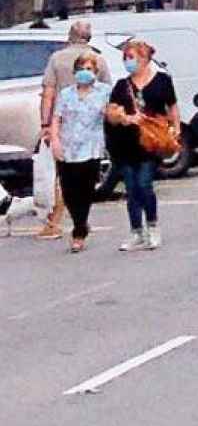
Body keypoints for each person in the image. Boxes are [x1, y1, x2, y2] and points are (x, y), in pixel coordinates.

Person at [36, 19, 110, 240]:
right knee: (80, 182)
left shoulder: (56, 58)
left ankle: (68, 222)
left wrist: (45, 125)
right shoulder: (100, 59)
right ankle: (76, 222)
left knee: (65, 180)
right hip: (79, 131)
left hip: (71, 131)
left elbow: (48, 94)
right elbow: (109, 96)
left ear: (69, 35)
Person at [104, 39, 177, 250]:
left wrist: (175, 128)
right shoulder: (121, 85)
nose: (129, 62)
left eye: (132, 57)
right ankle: (136, 231)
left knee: (144, 184)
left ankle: (153, 226)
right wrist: (124, 118)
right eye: (126, 58)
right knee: (131, 188)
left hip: (150, 141)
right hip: (125, 142)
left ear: (145, 59)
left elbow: (172, 106)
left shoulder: (162, 81)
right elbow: (112, 112)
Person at [47, 50, 110, 253]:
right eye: (81, 69)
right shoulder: (66, 94)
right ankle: (80, 221)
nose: (85, 73)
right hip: (68, 146)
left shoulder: (104, 91)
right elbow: (57, 118)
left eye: (89, 69)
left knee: (86, 189)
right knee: (69, 191)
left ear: (95, 72)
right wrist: (55, 140)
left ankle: (79, 231)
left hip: (91, 147)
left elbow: (113, 114)